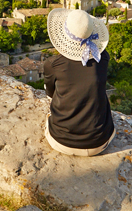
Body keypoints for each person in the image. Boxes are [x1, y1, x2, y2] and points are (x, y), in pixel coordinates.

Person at [43, 8, 115, 156]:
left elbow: (50, 94)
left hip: (61, 141)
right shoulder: (102, 58)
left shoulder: (53, 64)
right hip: (99, 142)